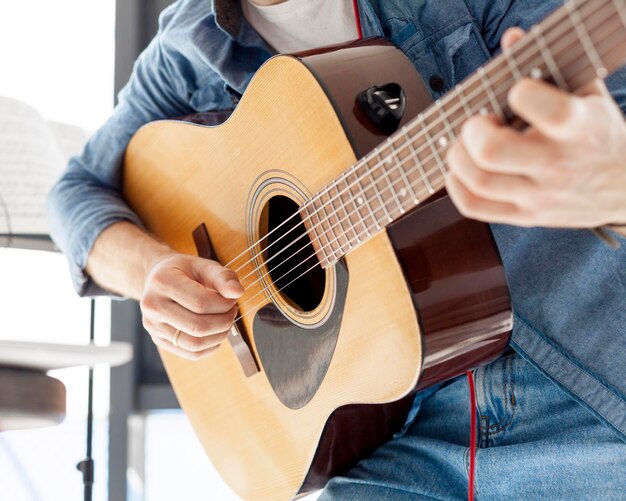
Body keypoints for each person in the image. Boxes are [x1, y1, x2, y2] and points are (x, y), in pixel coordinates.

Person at [48, 0, 626, 498]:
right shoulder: (188, 42)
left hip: (591, 402)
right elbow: (75, 194)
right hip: (400, 437)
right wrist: (153, 270)